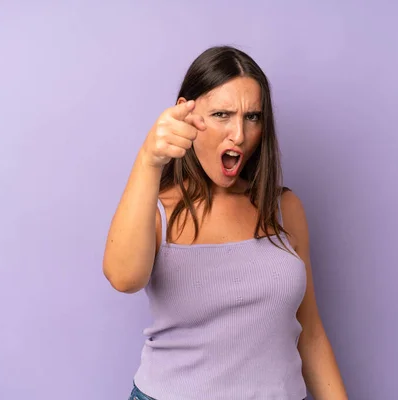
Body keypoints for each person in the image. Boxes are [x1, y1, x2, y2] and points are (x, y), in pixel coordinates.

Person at [103, 45, 349, 400]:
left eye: (252, 117)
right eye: (222, 114)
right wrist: (149, 159)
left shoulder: (283, 208)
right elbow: (123, 278)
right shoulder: (158, 210)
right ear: (185, 116)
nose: (239, 134)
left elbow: (310, 333)